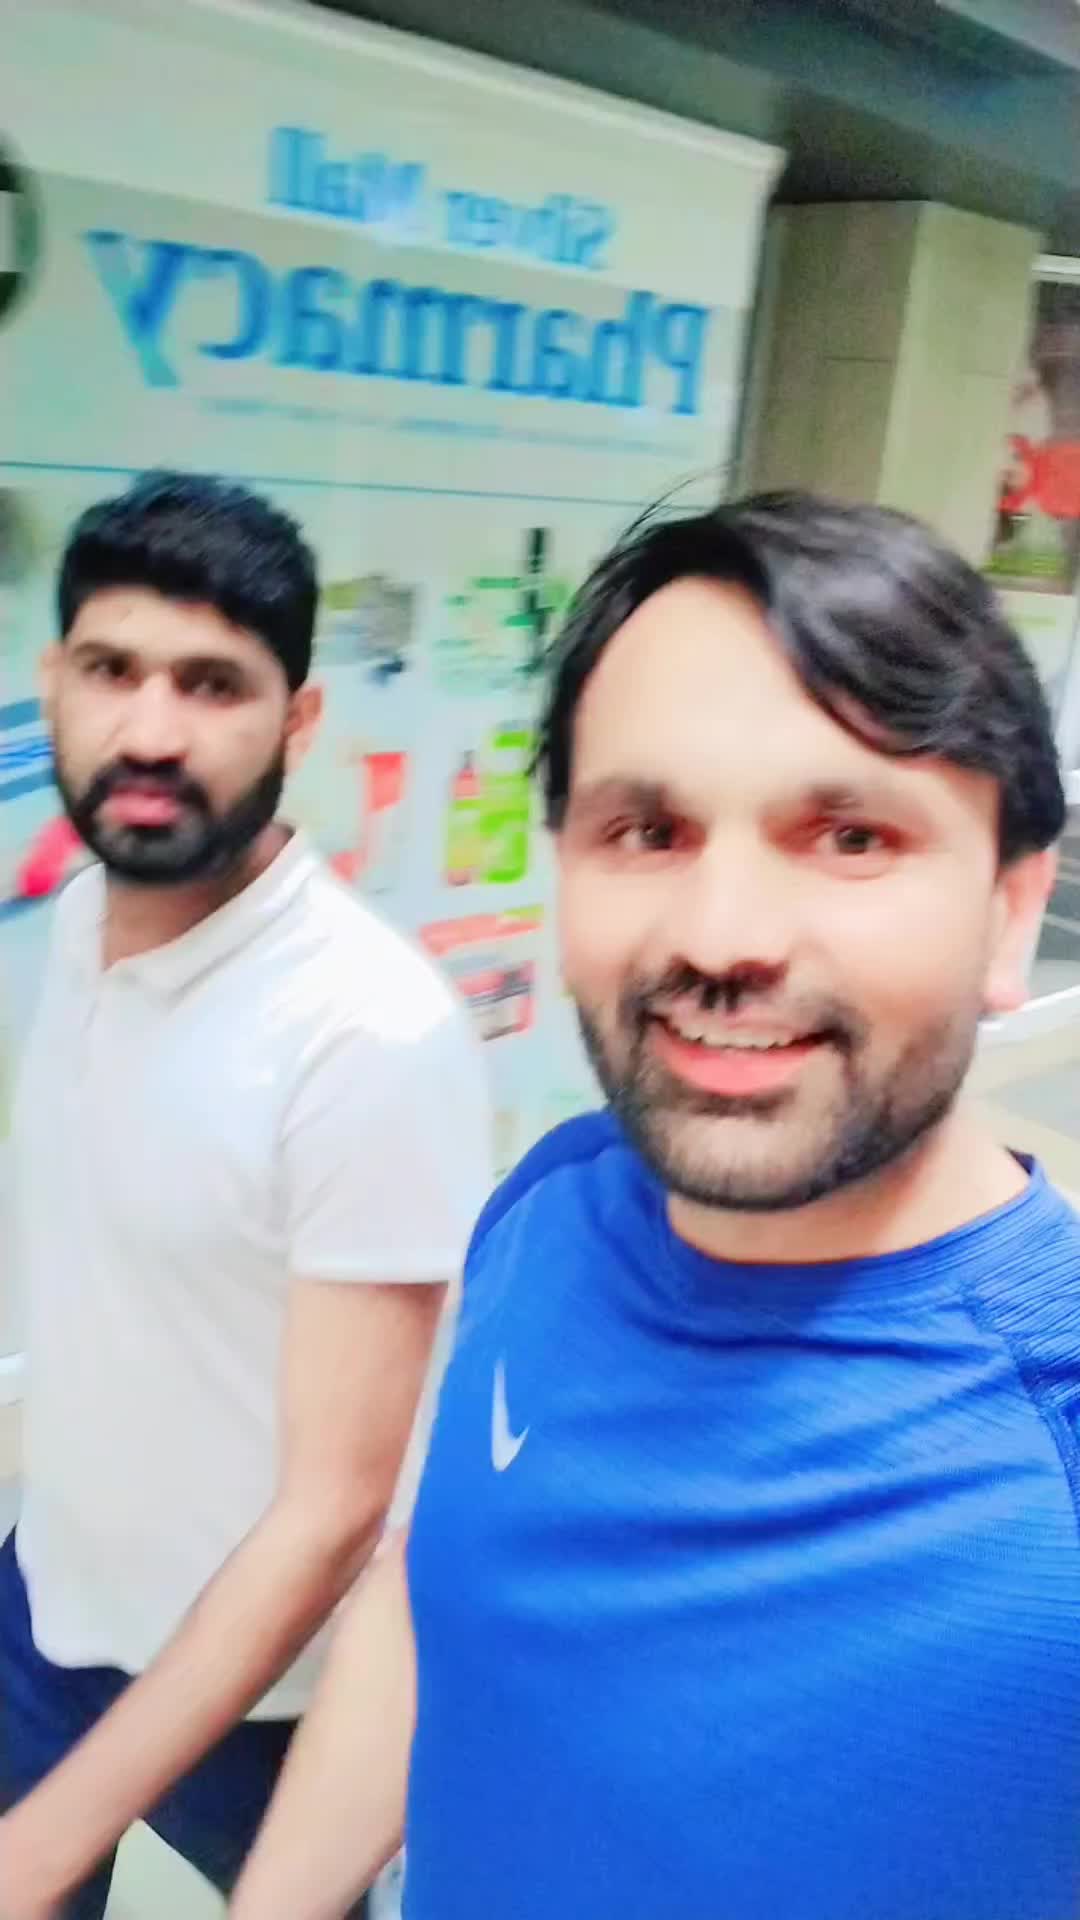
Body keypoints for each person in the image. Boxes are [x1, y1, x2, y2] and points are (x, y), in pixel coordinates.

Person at [231, 491, 1080, 1920]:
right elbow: (439, 1603)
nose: (721, 938)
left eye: (851, 835)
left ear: (1008, 909)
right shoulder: (546, 1207)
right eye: (647, 829)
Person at [0, 473, 490, 1918]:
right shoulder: (77, 923)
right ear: (54, 683)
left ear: (299, 721)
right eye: (112, 671)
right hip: (48, 1600)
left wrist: (40, 1845)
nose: (151, 731)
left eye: (212, 684)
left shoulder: (365, 1034)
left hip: (267, 1692)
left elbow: (334, 1511)